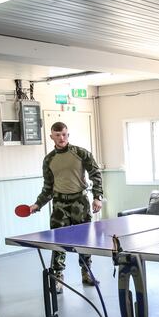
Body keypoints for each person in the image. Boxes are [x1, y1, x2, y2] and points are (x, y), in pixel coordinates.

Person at [29, 122, 103, 293]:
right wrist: (37, 204)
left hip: (80, 202)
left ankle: (87, 272)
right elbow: (48, 187)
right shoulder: (48, 159)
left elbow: (95, 174)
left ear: (68, 135)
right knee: (58, 242)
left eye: (64, 134)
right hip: (59, 204)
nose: (61, 138)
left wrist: (97, 197)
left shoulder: (81, 153)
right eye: (57, 135)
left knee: (84, 240)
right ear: (51, 137)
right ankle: (58, 278)